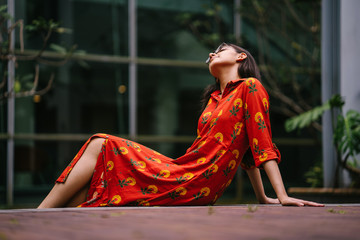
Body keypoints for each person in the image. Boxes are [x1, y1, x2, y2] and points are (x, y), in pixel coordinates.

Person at [38, 43, 324, 208]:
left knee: (100, 142)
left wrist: (280, 196)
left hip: (195, 179)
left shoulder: (250, 87)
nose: (212, 53)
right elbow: (244, 151)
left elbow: (259, 141)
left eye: (220, 49)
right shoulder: (213, 99)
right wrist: (263, 197)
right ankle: (43, 221)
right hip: (185, 171)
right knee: (87, 189)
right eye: (211, 51)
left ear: (241, 57)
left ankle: (39, 214)